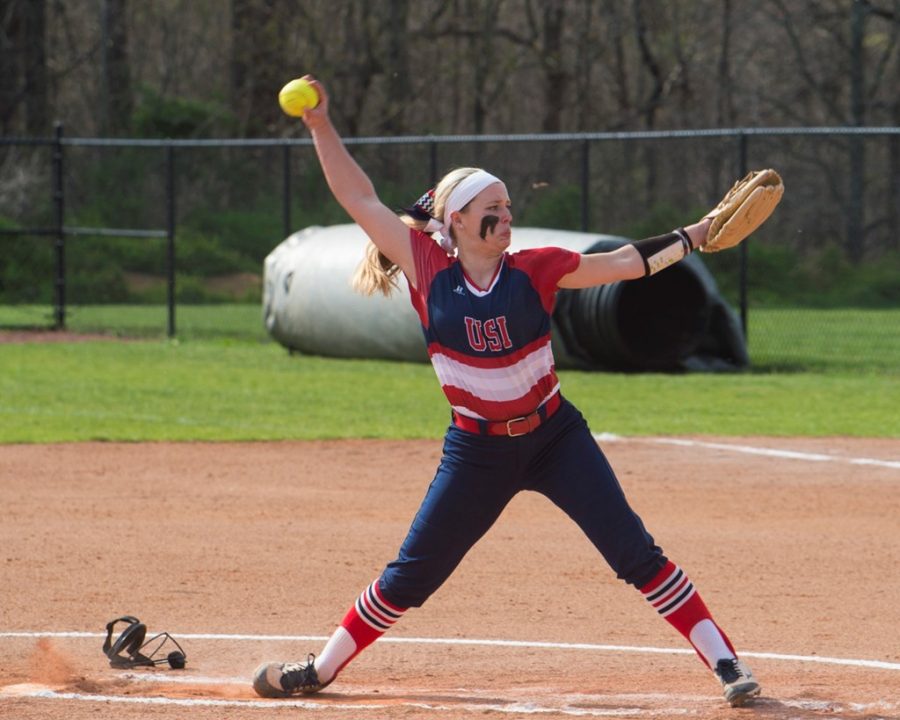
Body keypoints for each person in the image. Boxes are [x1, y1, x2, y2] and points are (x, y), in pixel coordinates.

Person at [253, 75, 762, 708]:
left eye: (510, 206)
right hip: (476, 452)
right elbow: (359, 196)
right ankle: (320, 670)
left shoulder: (537, 267)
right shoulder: (425, 266)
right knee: (413, 575)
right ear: (457, 221)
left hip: (555, 438)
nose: (507, 216)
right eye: (493, 208)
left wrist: (696, 234)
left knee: (634, 551)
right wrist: (320, 124)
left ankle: (728, 664)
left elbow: (626, 263)